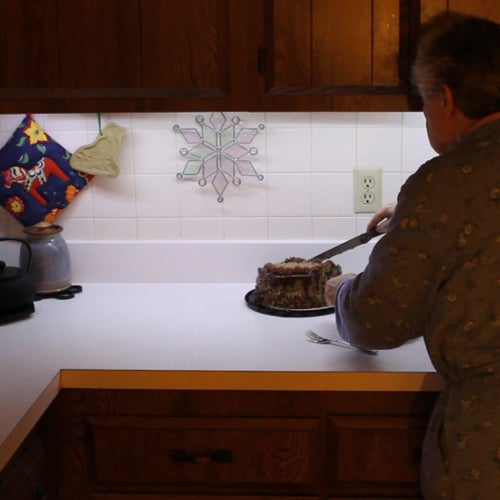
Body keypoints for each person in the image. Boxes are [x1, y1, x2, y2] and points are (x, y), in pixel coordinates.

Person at [325, 12, 500, 500]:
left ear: (445, 98)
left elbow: (375, 323)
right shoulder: (448, 193)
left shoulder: (444, 184)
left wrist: (342, 292)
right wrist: (418, 217)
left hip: (487, 443)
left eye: (423, 103)